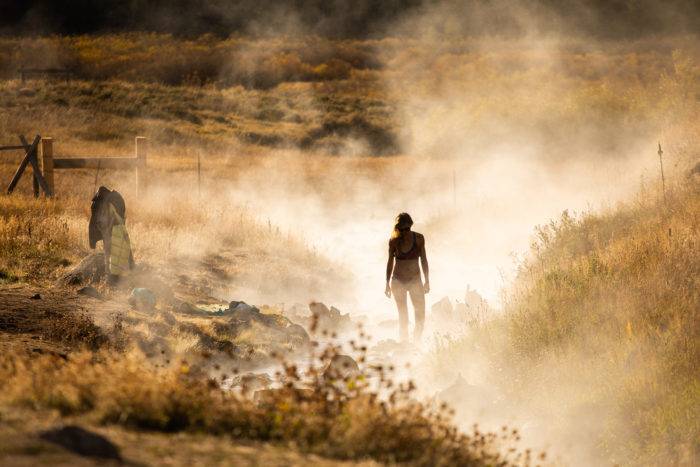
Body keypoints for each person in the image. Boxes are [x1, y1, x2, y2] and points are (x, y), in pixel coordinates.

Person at [385, 212, 429, 342]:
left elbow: (424, 261)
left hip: (415, 280)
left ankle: (416, 343)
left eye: (407, 229)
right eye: (401, 230)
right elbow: (390, 262)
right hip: (398, 281)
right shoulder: (394, 242)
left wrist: (427, 281)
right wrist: (387, 283)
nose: (405, 232)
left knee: (420, 315)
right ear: (397, 229)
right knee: (403, 316)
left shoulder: (419, 239)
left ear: (411, 226)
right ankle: (404, 345)